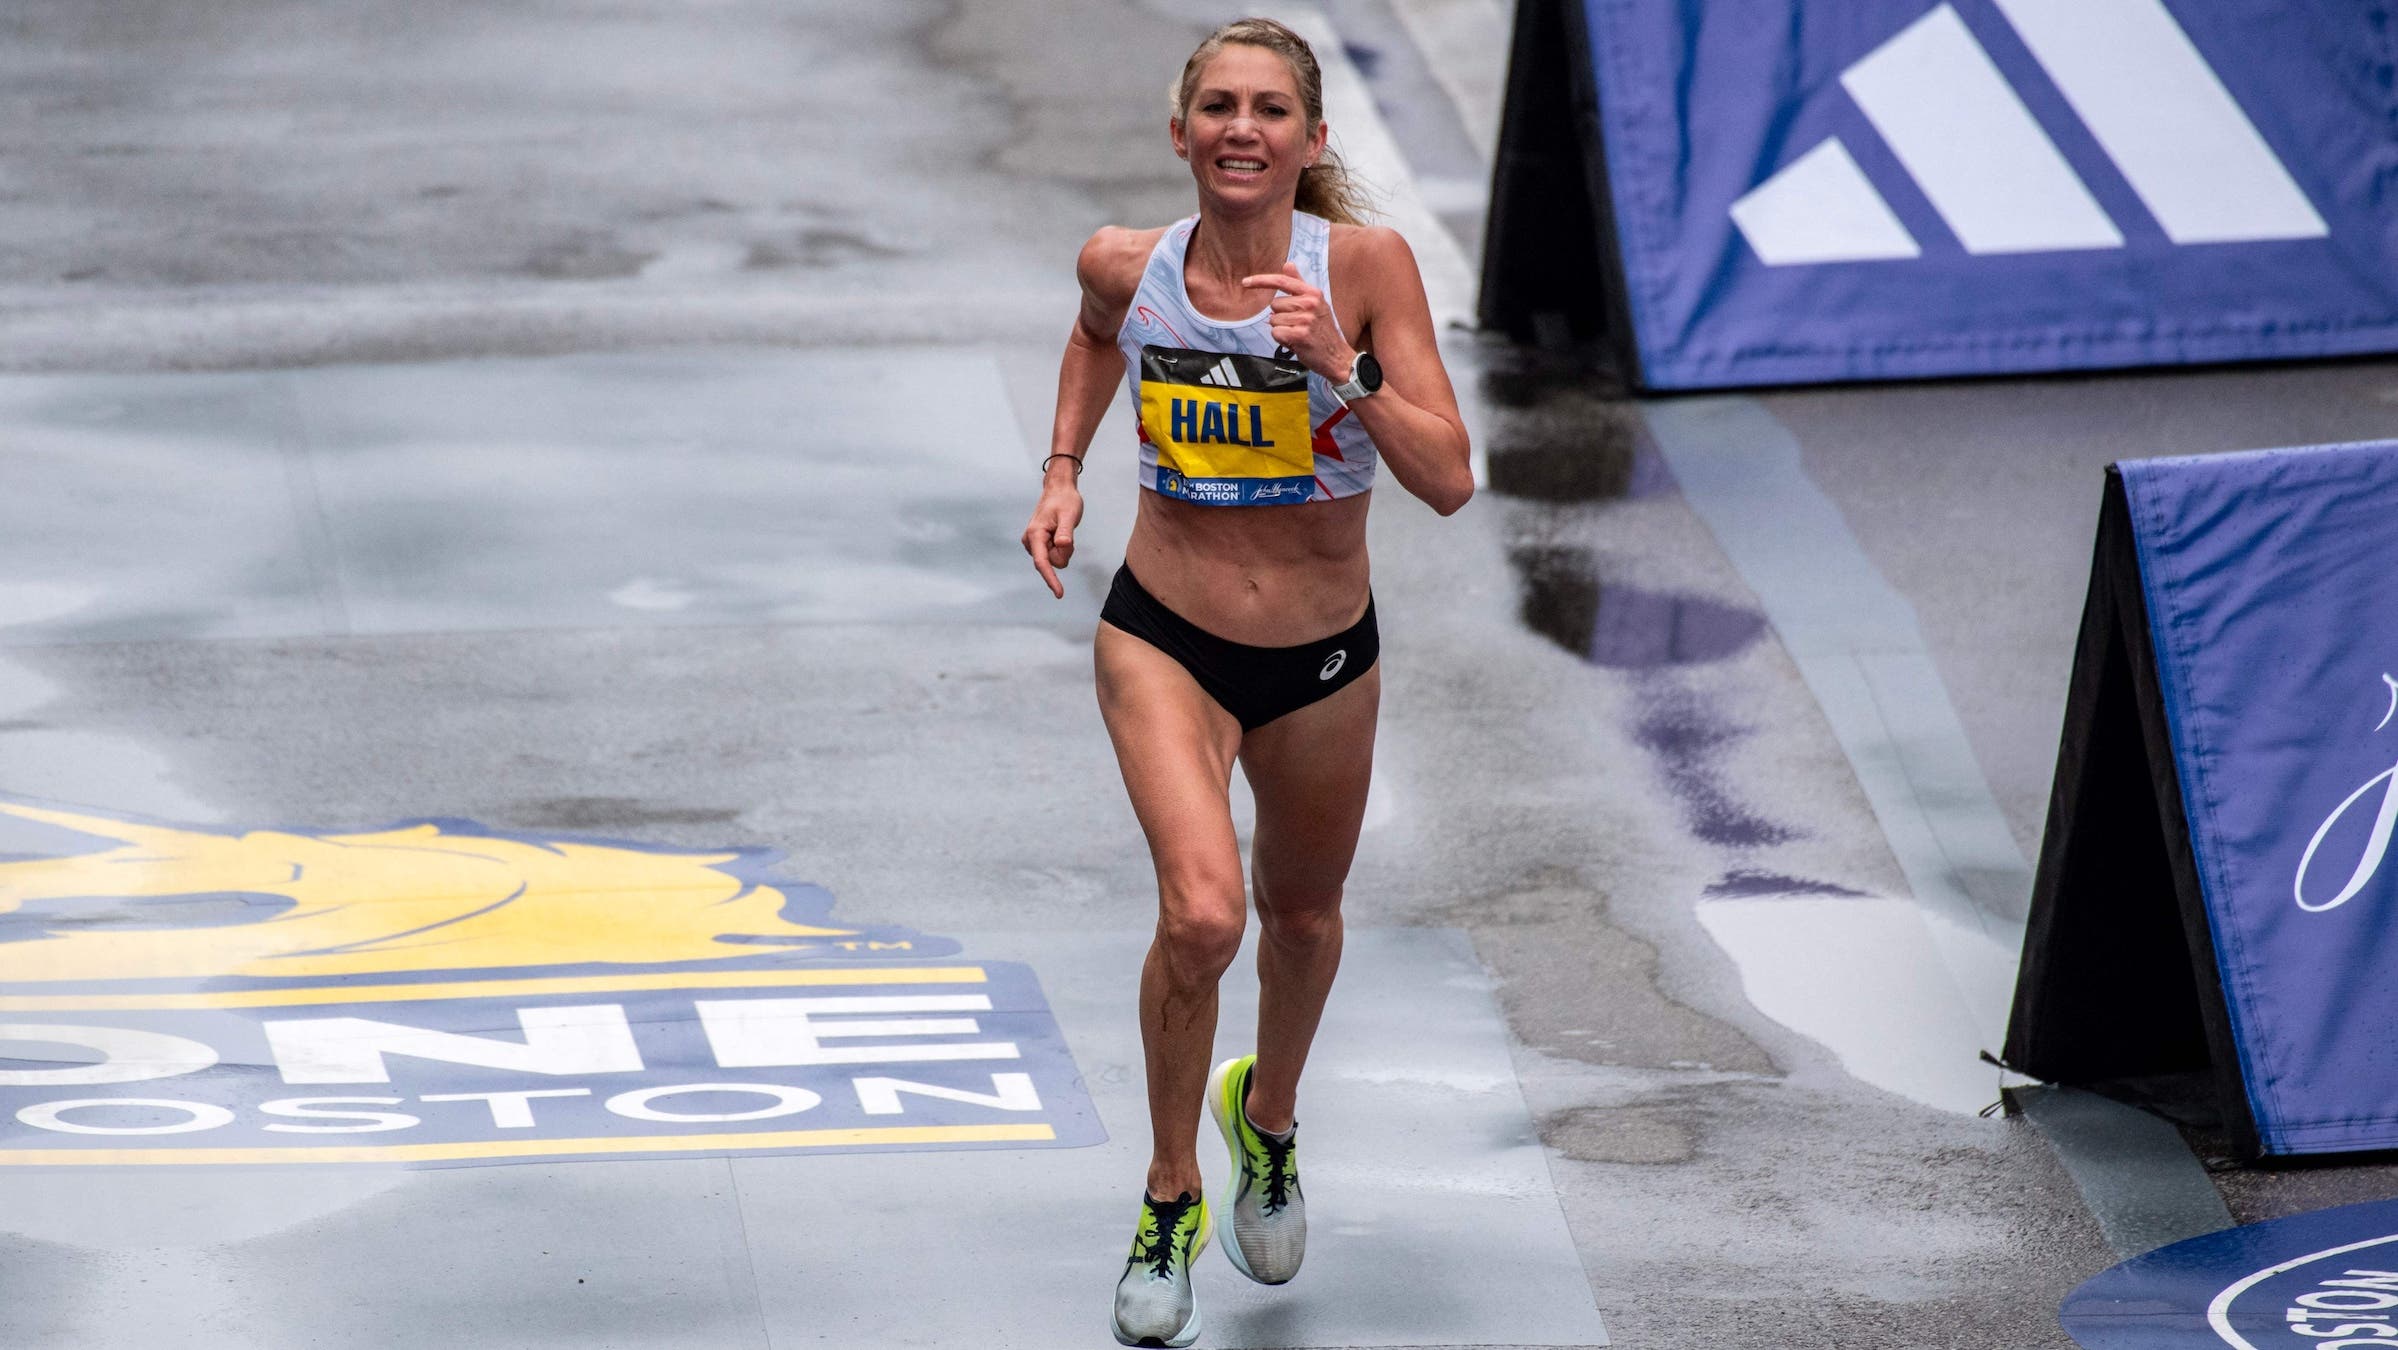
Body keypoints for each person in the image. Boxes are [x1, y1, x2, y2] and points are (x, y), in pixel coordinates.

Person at [1019, 17, 1472, 1347]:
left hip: (1326, 658)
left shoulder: (1366, 269)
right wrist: (1060, 469)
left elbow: (1447, 477)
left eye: (1270, 110)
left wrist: (1341, 362)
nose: (1240, 129)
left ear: (1310, 141)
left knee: (1306, 918)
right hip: (1164, 634)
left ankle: (1261, 1121)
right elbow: (1095, 333)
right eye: (1216, 106)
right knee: (1204, 915)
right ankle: (1168, 1195)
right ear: (1180, 132)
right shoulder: (1128, 259)